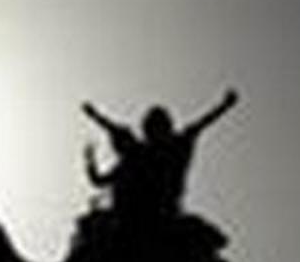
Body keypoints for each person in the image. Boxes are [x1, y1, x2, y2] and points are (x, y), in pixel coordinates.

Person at [81, 90, 238, 222]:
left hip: (162, 213)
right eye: (151, 126)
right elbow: (99, 180)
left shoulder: (171, 148)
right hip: (130, 215)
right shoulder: (134, 158)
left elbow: (200, 124)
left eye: (158, 125)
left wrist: (224, 106)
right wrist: (90, 159)